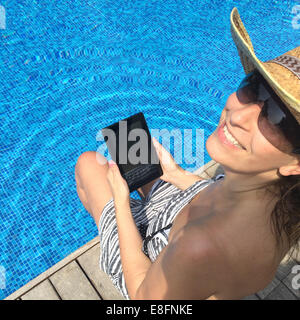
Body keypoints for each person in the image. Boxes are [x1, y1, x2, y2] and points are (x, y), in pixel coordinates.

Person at [75, 7, 300, 300]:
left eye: (278, 119)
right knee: (133, 147)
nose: (238, 116)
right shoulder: (285, 206)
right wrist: (177, 174)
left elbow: (145, 296)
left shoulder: (199, 245)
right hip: (187, 209)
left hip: (158, 263)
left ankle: (113, 228)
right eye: (254, 87)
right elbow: (218, 199)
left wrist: (119, 199)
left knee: (88, 165)